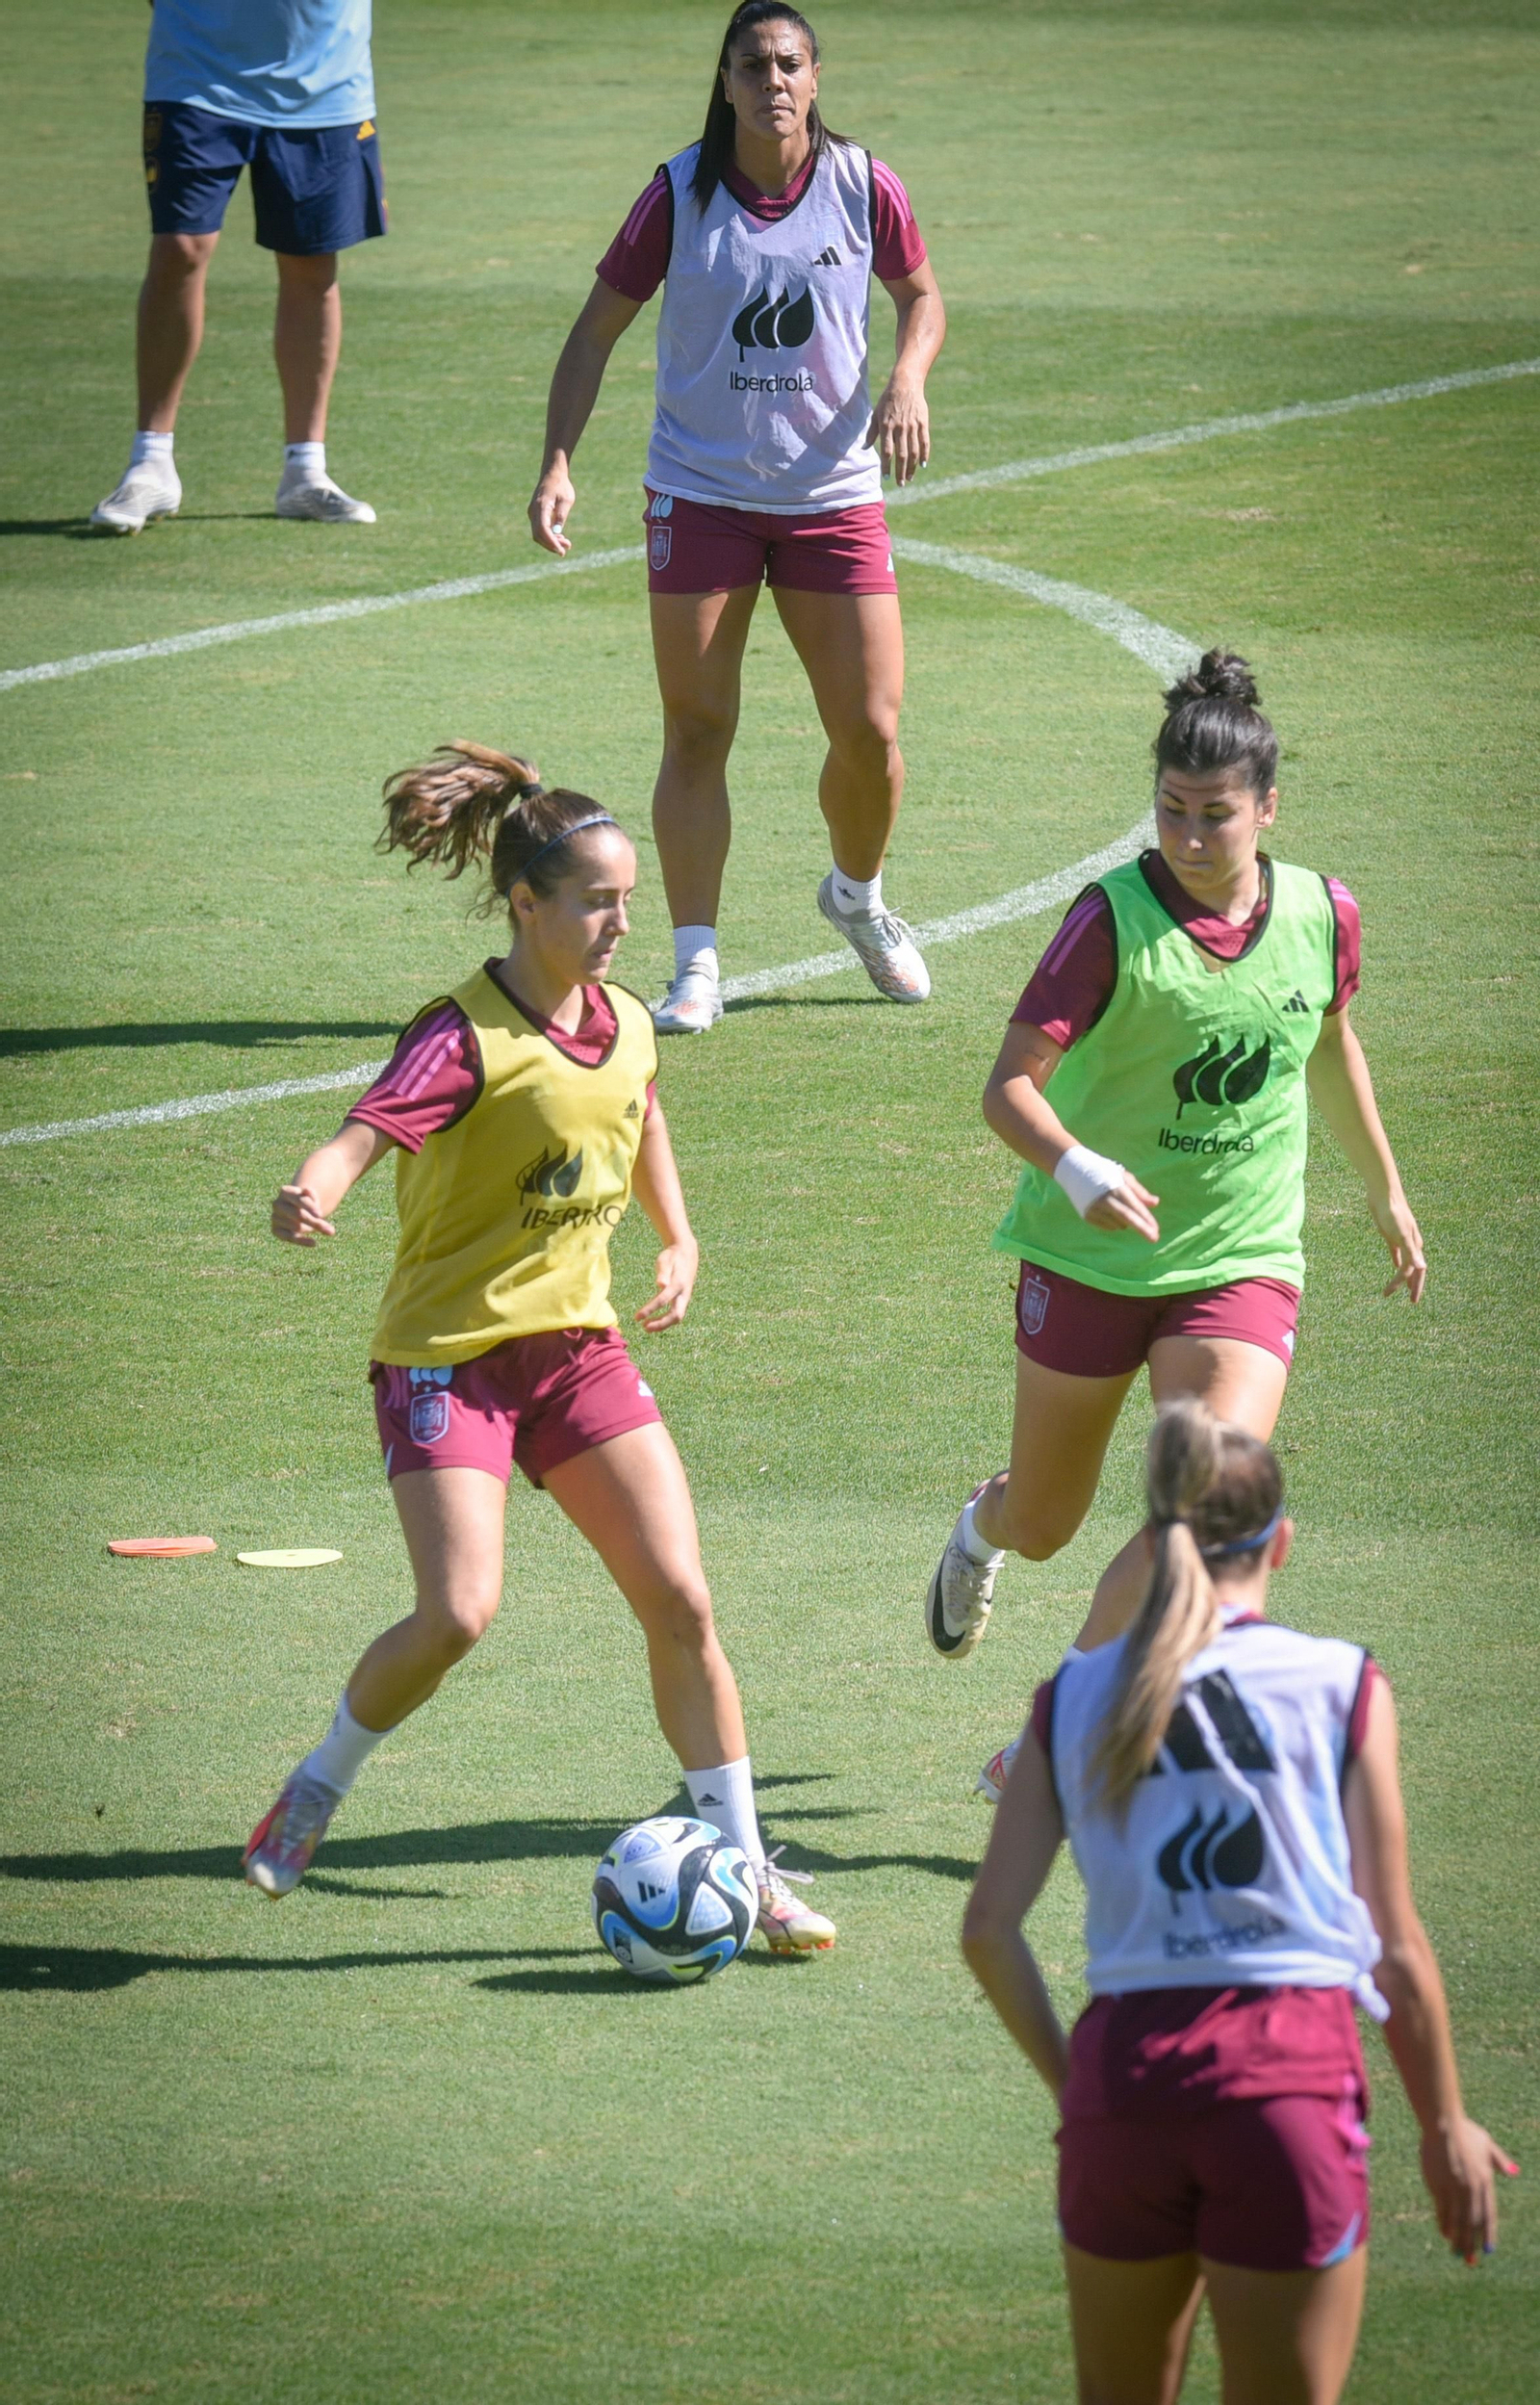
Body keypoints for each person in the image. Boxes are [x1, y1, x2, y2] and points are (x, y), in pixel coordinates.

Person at [243, 741, 835, 1957]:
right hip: (448, 1362)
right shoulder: (457, 1036)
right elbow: (354, 1141)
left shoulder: (621, 1016)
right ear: (527, 902)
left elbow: (643, 1102)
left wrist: (679, 1235)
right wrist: (311, 1193)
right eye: (599, 900)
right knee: (458, 1610)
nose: (623, 921)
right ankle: (317, 1784)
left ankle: (750, 1867)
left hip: (577, 1353)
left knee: (682, 1598)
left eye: (630, 899)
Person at [962, 1403, 1516, 2405]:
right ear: (1281, 1543)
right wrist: (1444, 2122)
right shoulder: (1339, 1681)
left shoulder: (1071, 1693)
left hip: (1123, 2088)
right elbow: (1392, 1948)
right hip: (1284, 2088)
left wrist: (1076, 2082)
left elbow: (988, 1932)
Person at [924, 652, 1426, 1704]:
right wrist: (1074, 1164)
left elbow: (1327, 1041)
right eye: (1170, 811)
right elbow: (1007, 1087)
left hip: (1238, 1260)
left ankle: (1063, 1727)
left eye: (1216, 815)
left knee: (1202, 1517)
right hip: (1089, 1255)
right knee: (1048, 1522)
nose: (1191, 838)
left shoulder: (1323, 914)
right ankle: (983, 1526)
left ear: (1268, 808)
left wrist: (1383, 1184)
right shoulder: (1108, 920)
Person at [526, 2, 946, 1032]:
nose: (773, 80)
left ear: (816, 77)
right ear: (722, 81)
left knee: (872, 732)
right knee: (699, 727)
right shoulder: (677, 194)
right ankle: (696, 961)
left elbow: (922, 297)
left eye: (789, 63)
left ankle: (856, 895)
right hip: (700, 493)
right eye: (752, 63)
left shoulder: (862, 183)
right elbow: (593, 333)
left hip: (832, 497)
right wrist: (558, 460)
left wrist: (907, 377)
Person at [92, 0, 382, 533]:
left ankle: (306, 470)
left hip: (327, 79)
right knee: (181, 247)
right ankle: (151, 461)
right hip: (195, 71)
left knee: (311, 263)